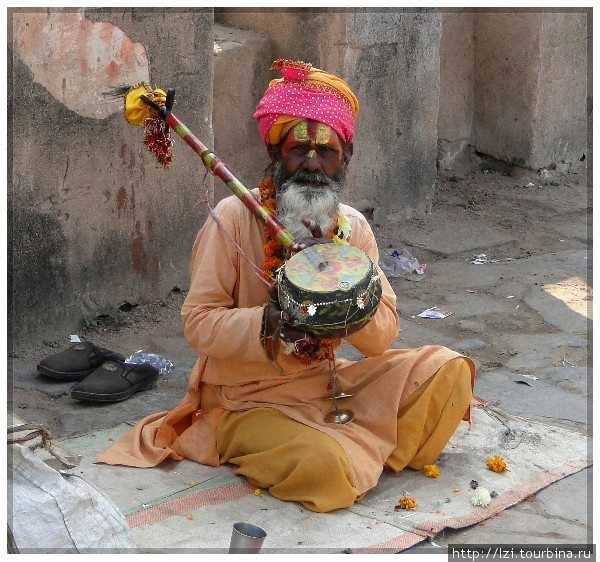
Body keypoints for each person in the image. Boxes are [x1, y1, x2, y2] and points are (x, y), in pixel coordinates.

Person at [96, 59, 475, 513]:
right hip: (247, 401)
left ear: (345, 159)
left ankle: (354, 452)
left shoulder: (352, 230)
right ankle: (349, 455)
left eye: (326, 152)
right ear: (278, 156)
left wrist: (340, 293)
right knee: (326, 468)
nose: (312, 164)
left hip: (328, 386)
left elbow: (383, 338)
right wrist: (267, 323)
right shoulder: (235, 218)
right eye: (298, 150)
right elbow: (197, 322)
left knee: (449, 370)